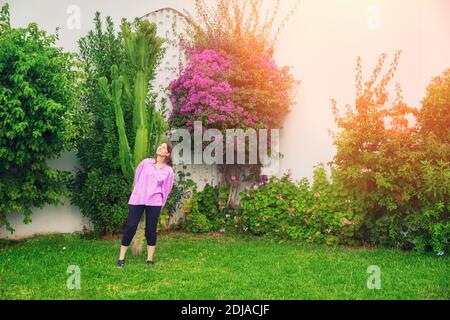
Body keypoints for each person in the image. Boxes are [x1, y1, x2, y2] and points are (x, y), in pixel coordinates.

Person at [117, 141, 174, 268]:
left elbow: (166, 189)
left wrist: (161, 203)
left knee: (150, 231)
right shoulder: (146, 163)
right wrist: (135, 193)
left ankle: (149, 259)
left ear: (168, 154)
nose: (160, 147)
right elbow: (136, 179)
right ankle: (121, 258)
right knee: (130, 227)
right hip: (138, 199)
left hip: (155, 202)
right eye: (160, 146)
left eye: (164, 147)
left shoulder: (168, 170)